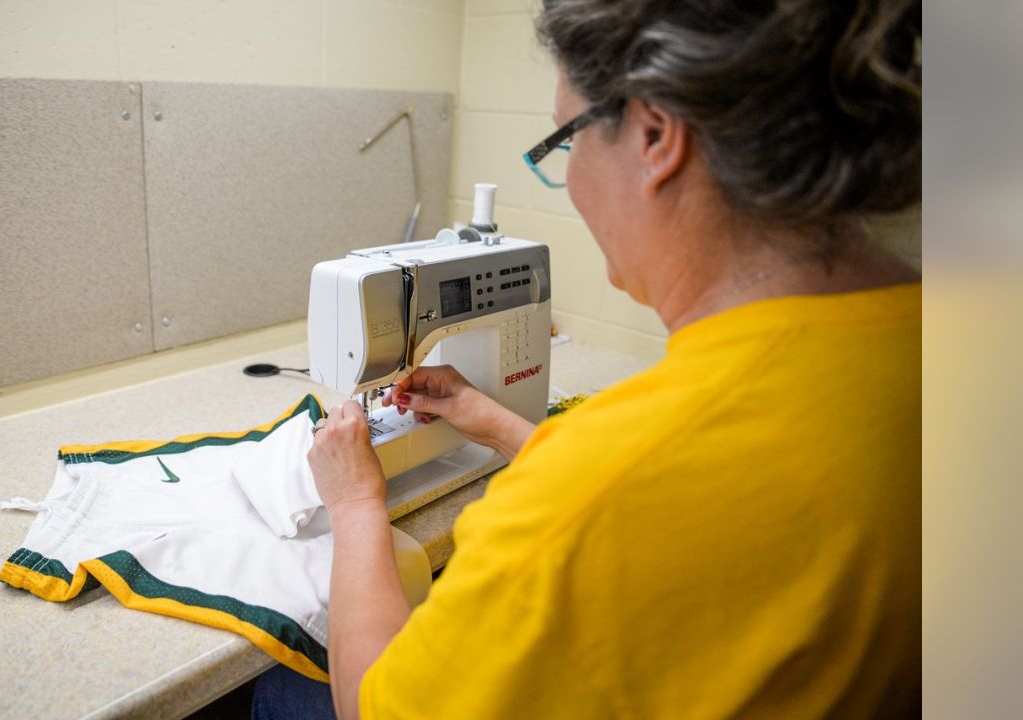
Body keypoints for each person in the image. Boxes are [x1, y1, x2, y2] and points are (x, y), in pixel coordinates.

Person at [257, 0, 921, 717]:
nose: (568, 180)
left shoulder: (596, 488)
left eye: (565, 142)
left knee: (284, 686)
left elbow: (374, 707)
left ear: (655, 137)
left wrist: (356, 504)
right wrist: (497, 421)